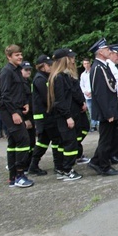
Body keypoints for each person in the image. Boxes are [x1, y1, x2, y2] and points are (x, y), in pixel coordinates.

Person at [0, 44, 34, 188]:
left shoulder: (17, 71)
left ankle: (12, 177)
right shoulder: (6, 72)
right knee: (23, 140)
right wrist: (14, 112)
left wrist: (24, 104)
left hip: (17, 108)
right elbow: (5, 95)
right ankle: (20, 174)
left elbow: (18, 91)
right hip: (9, 111)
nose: (20, 57)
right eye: (16, 55)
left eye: (20, 54)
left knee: (13, 142)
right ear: (9, 57)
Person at [87, 38, 118, 176]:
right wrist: (108, 113)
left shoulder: (103, 66)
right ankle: (104, 166)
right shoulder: (97, 68)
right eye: (107, 49)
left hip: (110, 107)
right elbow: (100, 93)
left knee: (108, 137)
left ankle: (96, 161)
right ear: (101, 52)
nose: (109, 51)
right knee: (106, 140)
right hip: (106, 110)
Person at [47, 48, 84, 181]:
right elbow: (60, 101)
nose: (72, 60)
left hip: (67, 114)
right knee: (69, 143)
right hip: (64, 116)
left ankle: (64, 168)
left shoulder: (63, 76)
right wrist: (68, 116)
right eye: (70, 58)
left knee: (68, 143)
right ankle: (67, 169)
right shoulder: (59, 78)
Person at [28, 54, 63, 177]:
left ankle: (33, 165)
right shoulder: (40, 79)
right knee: (56, 140)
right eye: (48, 64)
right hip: (45, 117)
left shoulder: (44, 77)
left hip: (46, 116)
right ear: (42, 66)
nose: (51, 66)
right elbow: (47, 98)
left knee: (43, 142)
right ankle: (58, 166)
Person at [80, 57, 98, 132]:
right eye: (85, 64)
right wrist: (85, 92)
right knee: (91, 110)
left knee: (97, 109)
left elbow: (96, 83)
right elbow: (82, 85)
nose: (86, 65)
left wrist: (91, 92)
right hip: (87, 96)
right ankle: (93, 125)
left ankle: (99, 124)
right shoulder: (83, 74)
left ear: (90, 63)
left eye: (87, 63)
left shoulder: (94, 72)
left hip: (94, 94)